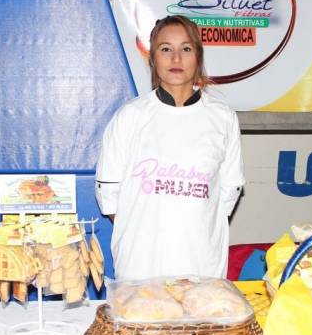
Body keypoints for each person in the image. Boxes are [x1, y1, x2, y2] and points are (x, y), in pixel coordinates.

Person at [95, 15, 244, 280]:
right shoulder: (130, 116)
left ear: (198, 57)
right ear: (153, 58)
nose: (176, 59)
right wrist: (145, 235)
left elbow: (228, 193)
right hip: (140, 267)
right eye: (166, 49)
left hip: (202, 266)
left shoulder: (223, 118)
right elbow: (109, 195)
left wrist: (192, 227)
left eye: (186, 49)